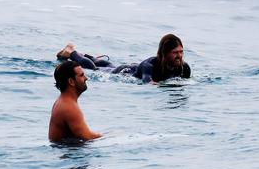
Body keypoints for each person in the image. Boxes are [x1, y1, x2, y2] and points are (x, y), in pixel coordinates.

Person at [56, 33, 191, 83]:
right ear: (165, 53)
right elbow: (148, 82)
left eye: (181, 52)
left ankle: (85, 55)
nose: (179, 56)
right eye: (175, 52)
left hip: (129, 68)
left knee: (105, 64)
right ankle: (71, 52)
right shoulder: (149, 65)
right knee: (96, 68)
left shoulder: (184, 68)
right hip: (125, 71)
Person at [48, 60, 102, 142]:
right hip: (66, 150)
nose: (86, 78)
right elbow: (87, 137)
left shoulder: (63, 102)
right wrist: (110, 136)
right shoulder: (68, 107)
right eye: (81, 75)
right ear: (71, 81)